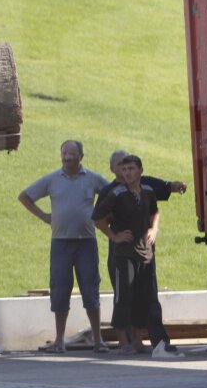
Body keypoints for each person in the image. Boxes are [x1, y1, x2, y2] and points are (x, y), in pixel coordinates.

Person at [18, 140, 110, 354]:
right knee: (60, 289)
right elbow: (24, 196)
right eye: (65, 154)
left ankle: (98, 339)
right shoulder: (52, 180)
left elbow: (113, 194)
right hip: (60, 243)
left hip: (86, 242)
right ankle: (59, 340)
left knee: (90, 289)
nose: (68, 158)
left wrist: (104, 215)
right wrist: (44, 216)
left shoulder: (93, 178)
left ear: (81, 156)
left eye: (72, 154)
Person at [96, 149, 185, 355]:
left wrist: (154, 228)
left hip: (145, 253)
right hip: (122, 253)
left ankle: (146, 341)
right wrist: (114, 235)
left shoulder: (146, 188)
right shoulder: (112, 192)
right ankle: (123, 342)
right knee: (124, 295)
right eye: (121, 166)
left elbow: (157, 204)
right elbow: (99, 217)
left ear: (139, 170)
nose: (125, 170)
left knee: (146, 297)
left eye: (130, 167)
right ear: (113, 168)